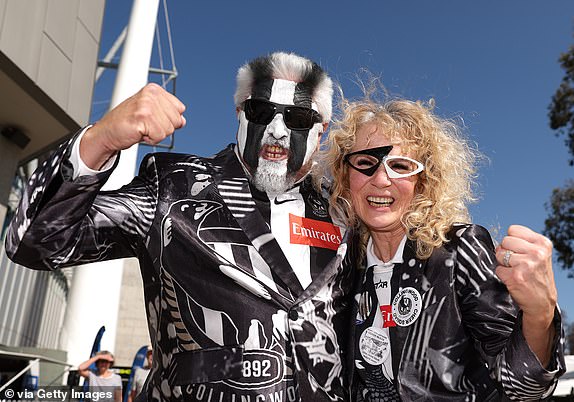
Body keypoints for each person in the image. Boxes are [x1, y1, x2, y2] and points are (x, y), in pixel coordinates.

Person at [5, 52, 353, 401]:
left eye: (298, 118)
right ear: (240, 115)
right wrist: (103, 138)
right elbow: (34, 240)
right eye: (261, 112)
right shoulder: (173, 188)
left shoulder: (345, 214)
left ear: (320, 132)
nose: (277, 130)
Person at [323, 95, 566, 400]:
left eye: (400, 166)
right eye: (365, 164)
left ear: (423, 182)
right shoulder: (343, 271)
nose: (382, 179)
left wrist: (540, 313)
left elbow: (524, 388)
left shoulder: (458, 252)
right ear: (345, 177)